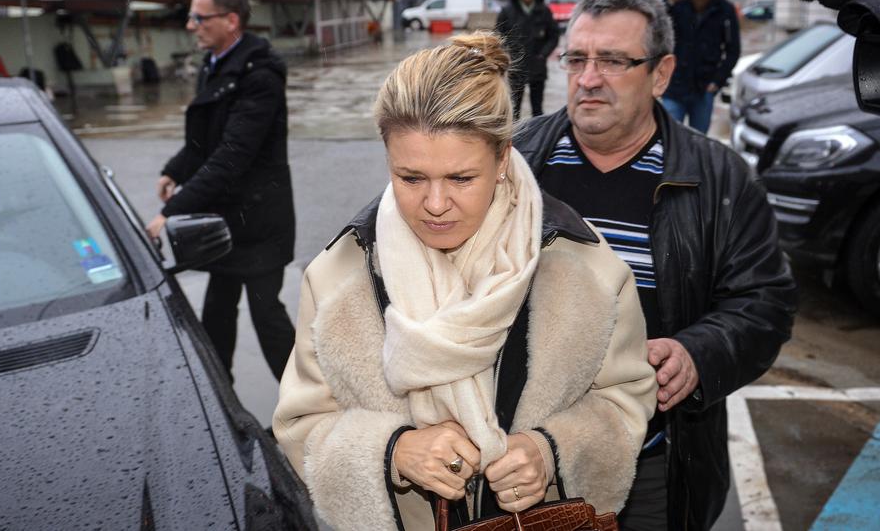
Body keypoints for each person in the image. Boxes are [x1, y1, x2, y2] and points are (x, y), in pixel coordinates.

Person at [272, 32, 656, 530]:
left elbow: (626, 399)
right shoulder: (340, 278)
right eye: (411, 178)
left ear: (502, 160)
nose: (435, 204)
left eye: (461, 178)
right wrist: (394, 452)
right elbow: (300, 424)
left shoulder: (584, 270)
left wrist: (549, 451)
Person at [514, 0, 796, 531]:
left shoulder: (720, 178)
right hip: (523, 463)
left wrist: (697, 353)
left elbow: (765, 302)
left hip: (653, 465)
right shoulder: (515, 161)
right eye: (577, 59)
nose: (588, 78)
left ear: (661, 74)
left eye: (613, 61)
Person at [145, 0, 296, 382]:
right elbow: (205, 141)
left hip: (260, 221)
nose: (191, 25)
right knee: (217, 309)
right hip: (225, 218)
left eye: (199, 17)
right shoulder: (214, 65)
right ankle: (218, 394)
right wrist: (175, 170)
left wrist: (171, 211)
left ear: (231, 21)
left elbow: (232, 155)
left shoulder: (259, 75)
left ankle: (306, 403)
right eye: (190, 16)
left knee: (267, 314)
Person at [662, 0, 740, 134]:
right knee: (670, 136)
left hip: (704, 89)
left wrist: (717, 81)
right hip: (675, 85)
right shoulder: (679, 4)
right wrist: (670, 0)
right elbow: (655, 25)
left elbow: (733, 50)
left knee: (698, 140)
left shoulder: (724, 9)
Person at [496, 0, 560, 120]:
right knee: (514, 109)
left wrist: (543, 54)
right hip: (516, 65)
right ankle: (515, 134)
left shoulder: (544, 11)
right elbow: (499, 35)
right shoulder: (507, 11)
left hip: (537, 65)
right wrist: (508, 53)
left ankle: (537, 132)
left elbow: (554, 36)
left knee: (537, 110)